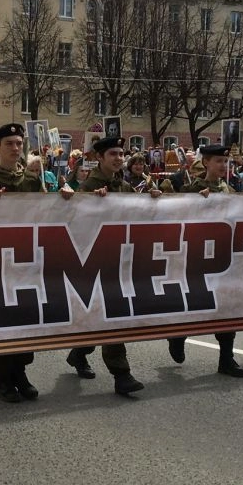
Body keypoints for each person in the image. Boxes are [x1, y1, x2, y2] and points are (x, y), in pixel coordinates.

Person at [0, 123, 75, 402]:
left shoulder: (31, 178)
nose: (16, 149)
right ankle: (3, 380)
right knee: (2, 319)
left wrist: (63, 196)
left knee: (24, 318)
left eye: (19, 144)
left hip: (26, 259)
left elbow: (44, 212)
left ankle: (20, 372)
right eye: (9, 144)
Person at [66, 136, 160, 396]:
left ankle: (79, 352)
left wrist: (153, 198)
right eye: (113, 154)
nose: (119, 158)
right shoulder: (91, 185)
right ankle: (122, 374)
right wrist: (90, 202)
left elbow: (138, 214)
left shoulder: (123, 184)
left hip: (119, 260)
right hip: (93, 261)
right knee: (108, 317)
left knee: (105, 316)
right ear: (99, 158)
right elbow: (74, 221)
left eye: (121, 154)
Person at [164, 144, 243, 377]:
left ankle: (226, 359)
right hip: (196, 258)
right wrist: (195, 201)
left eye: (226, 162)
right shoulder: (191, 188)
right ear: (206, 163)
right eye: (218, 161)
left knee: (226, 307)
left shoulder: (227, 188)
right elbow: (176, 218)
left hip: (223, 257)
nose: (223, 166)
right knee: (193, 302)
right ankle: (178, 334)